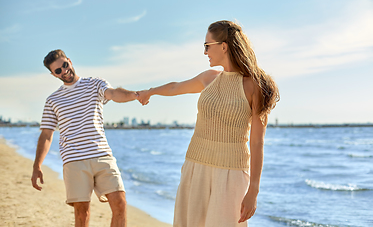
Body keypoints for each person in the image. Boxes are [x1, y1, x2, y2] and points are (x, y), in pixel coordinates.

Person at [137, 20, 279, 227]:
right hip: (196, 165)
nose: (204, 52)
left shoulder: (254, 86)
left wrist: (253, 191)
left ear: (224, 46)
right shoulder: (209, 78)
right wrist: (150, 91)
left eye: (207, 46)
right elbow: (176, 87)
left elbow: (257, 142)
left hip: (231, 173)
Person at [31, 49, 138, 227]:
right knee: (82, 213)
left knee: (120, 204)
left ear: (70, 61)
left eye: (65, 65)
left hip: (103, 155)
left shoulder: (95, 84)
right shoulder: (53, 100)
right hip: (73, 160)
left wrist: (135, 95)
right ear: (53, 74)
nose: (64, 71)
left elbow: (113, 93)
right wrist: (37, 166)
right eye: (58, 70)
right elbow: (46, 135)